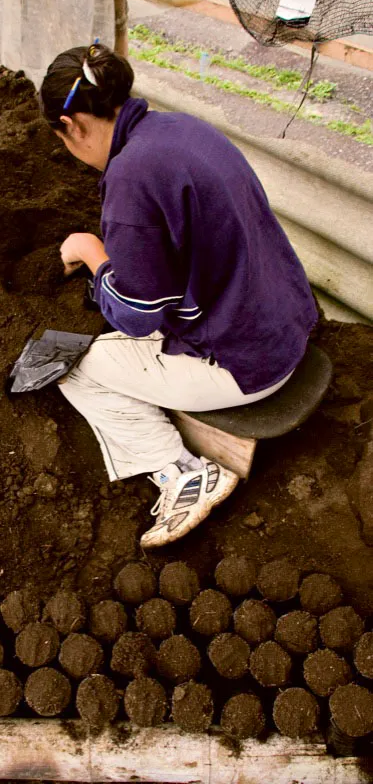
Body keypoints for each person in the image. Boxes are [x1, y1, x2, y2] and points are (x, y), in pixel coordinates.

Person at [39, 42, 318, 549]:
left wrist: (92, 251)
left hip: (247, 364)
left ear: (73, 125)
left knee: (73, 366)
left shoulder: (130, 177)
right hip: (288, 322)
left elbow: (136, 317)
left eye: (62, 138)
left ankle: (181, 473)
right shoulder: (183, 129)